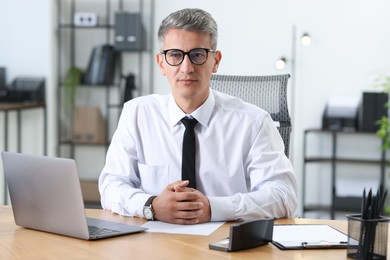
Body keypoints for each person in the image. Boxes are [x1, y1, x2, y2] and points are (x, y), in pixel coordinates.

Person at [99, 8, 297, 225]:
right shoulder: (136, 114)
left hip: (227, 246)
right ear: (161, 63)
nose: (187, 67)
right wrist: (151, 205)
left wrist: (213, 208)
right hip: (155, 244)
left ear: (216, 61)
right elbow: (111, 185)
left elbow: (283, 196)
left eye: (197, 55)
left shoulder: (254, 122)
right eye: (175, 55)